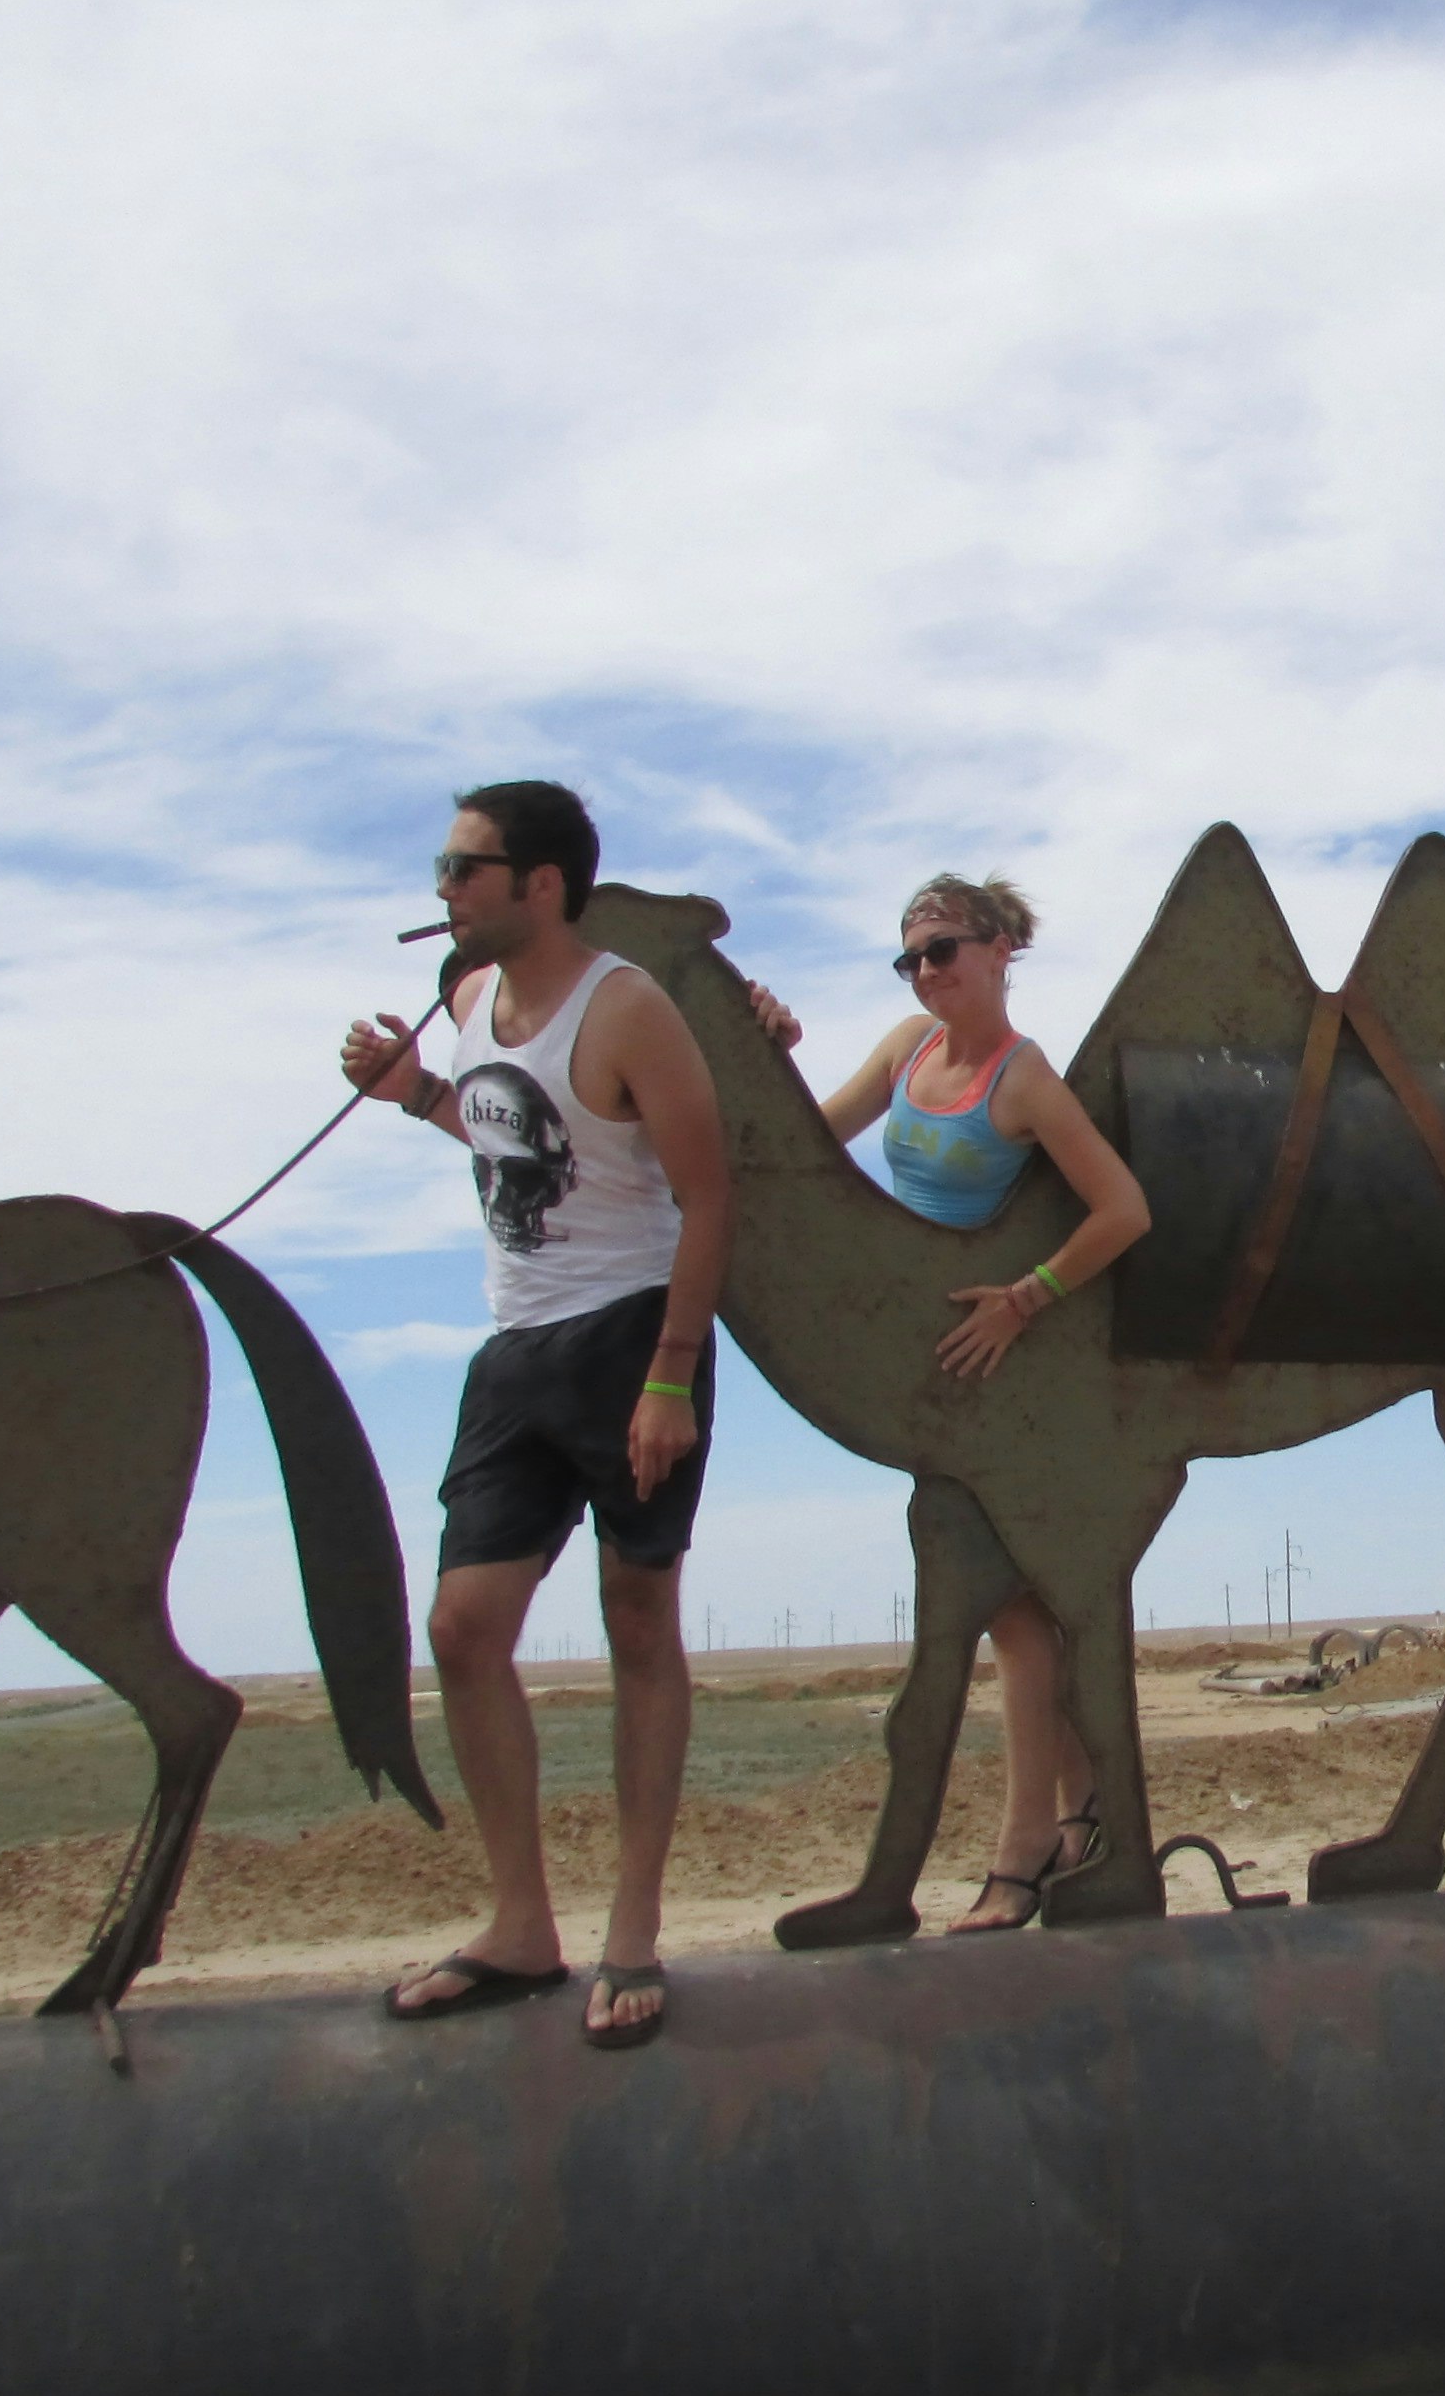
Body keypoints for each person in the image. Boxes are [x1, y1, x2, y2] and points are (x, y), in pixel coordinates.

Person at [340, 781, 733, 2048]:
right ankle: (520, 1926)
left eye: (463, 867)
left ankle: (632, 1932)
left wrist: (671, 1376)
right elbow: (507, 1137)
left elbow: (710, 1196)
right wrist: (412, 1092)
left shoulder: (628, 1008)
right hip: (514, 1348)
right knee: (463, 1629)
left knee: (637, 1622)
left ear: (541, 884)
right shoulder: (466, 1001)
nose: (443, 889)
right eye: (442, 865)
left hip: (632, 1337)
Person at [746, 873, 1153, 1930]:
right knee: (1021, 1617)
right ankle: (1084, 1812)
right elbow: (805, 1142)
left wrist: (1026, 1298)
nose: (925, 973)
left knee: (1014, 1627)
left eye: (942, 950)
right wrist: (768, 1053)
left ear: (1000, 949)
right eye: (910, 957)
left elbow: (1123, 1210)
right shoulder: (904, 1051)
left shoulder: (1025, 1084)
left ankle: (1022, 1858)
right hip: (925, 1374)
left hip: (1002, 1377)